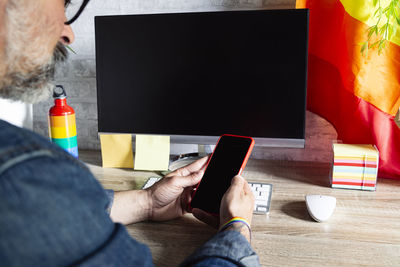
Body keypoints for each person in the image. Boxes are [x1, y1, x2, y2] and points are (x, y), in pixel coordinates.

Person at [0, 0, 260, 266]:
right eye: (61, 4)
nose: (69, 35)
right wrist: (237, 226)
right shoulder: (20, 172)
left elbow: (53, 216)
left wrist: (147, 202)